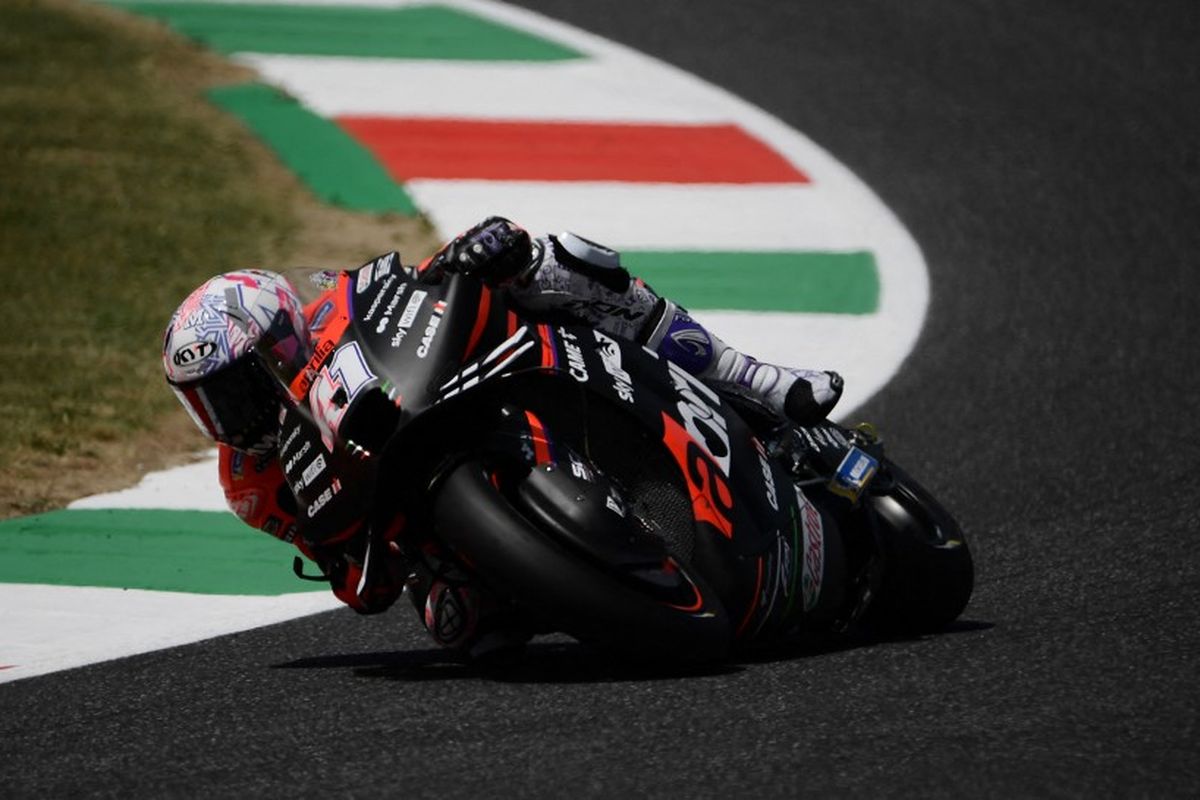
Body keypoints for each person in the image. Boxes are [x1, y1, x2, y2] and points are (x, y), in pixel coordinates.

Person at [162, 216, 845, 657]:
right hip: (416, 522)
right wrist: (356, 556)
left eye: (238, 388)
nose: (231, 415)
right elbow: (359, 586)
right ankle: (589, 576)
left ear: (281, 337)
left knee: (561, 259)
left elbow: (416, 288)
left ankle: (753, 379)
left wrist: (481, 253)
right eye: (209, 403)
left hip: (478, 377)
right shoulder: (252, 484)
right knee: (462, 628)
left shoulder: (340, 304)